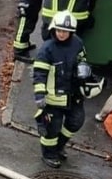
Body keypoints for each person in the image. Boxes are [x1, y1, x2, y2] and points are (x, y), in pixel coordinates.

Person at [32, 11, 90, 168]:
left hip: (73, 95)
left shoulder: (77, 43)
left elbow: (82, 60)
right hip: (53, 99)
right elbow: (39, 74)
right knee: (52, 128)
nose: (61, 34)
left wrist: (85, 72)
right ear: (53, 30)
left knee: (76, 121)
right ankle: (49, 154)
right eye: (58, 30)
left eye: (64, 31)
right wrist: (39, 96)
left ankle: (59, 146)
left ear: (71, 32)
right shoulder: (47, 49)